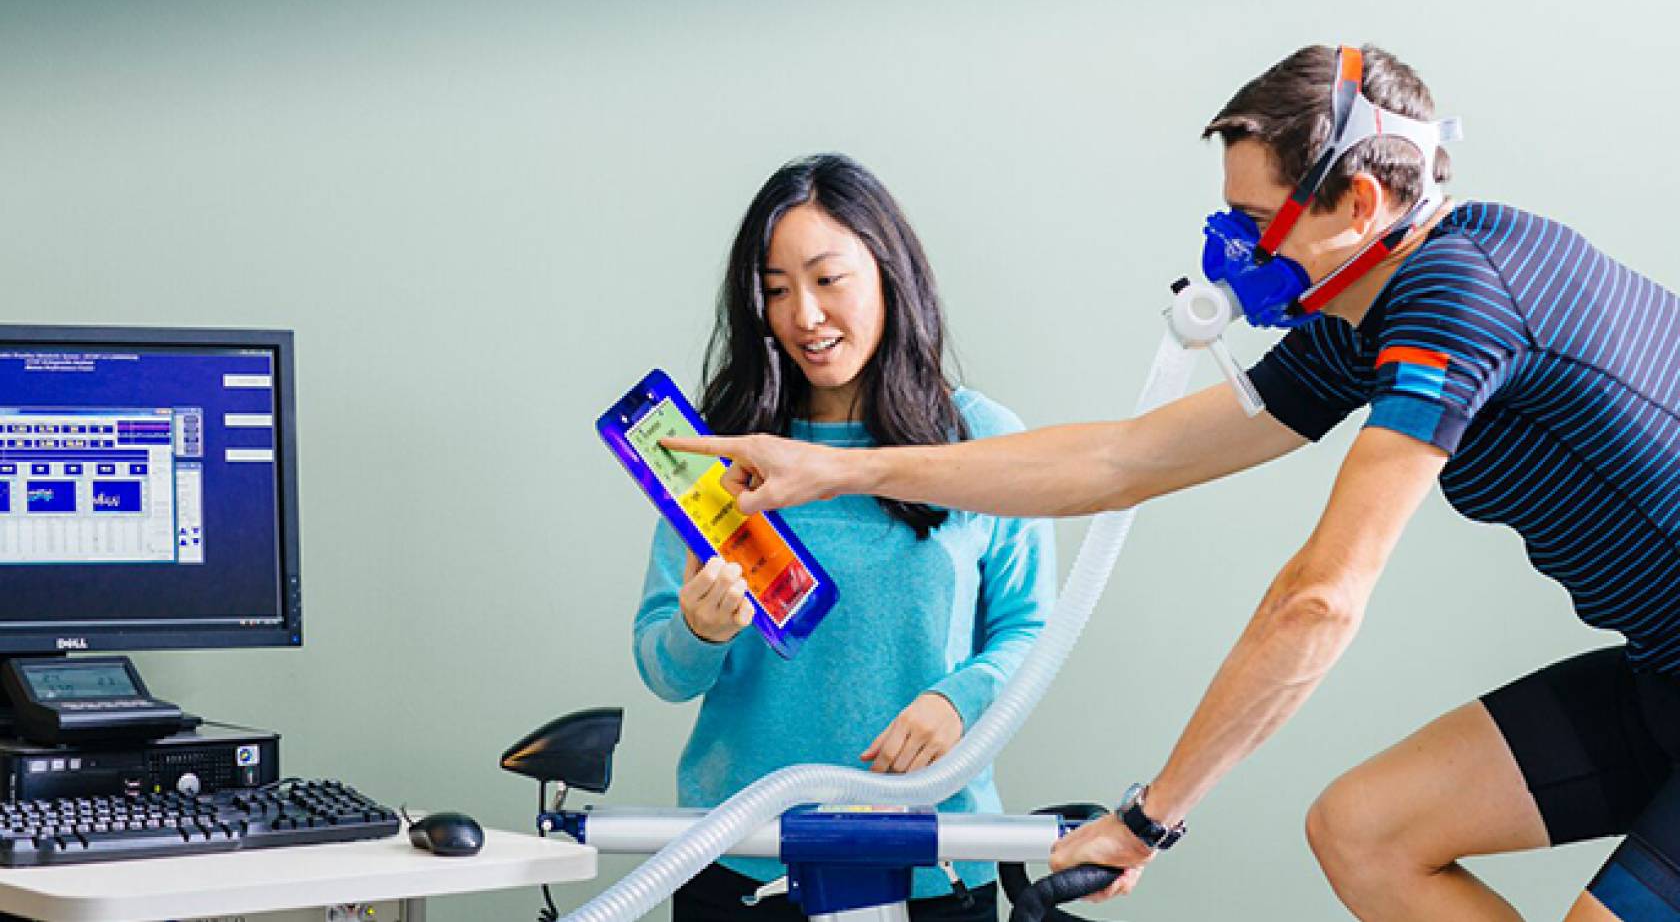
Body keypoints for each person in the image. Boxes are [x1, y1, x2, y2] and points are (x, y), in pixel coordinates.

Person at [665, 47, 1680, 921]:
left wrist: (1151, 817)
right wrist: (839, 468)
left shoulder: (1457, 299)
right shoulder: (1359, 319)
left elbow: (1321, 600)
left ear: (1360, 205)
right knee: (1365, 831)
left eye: (1253, 218)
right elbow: (1122, 461)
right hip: (1661, 674)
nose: (1229, 249)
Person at [633, 153, 1056, 922]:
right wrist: (699, 630)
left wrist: (961, 701)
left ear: (890, 272)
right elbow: (664, 671)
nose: (805, 316)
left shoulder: (981, 440)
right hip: (741, 860)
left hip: (933, 864)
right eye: (776, 290)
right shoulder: (719, 452)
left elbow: (1033, 629)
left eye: (828, 279)